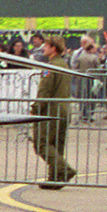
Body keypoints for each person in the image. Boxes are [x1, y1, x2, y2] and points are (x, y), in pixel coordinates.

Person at [32, 37, 77, 190]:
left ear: (53, 48)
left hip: (51, 108)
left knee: (41, 143)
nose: (44, 48)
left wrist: (37, 107)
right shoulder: (64, 65)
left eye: (46, 45)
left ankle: (63, 170)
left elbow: (45, 90)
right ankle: (55, 178)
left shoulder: (50, 68)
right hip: (64, 107)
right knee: (56, 144)